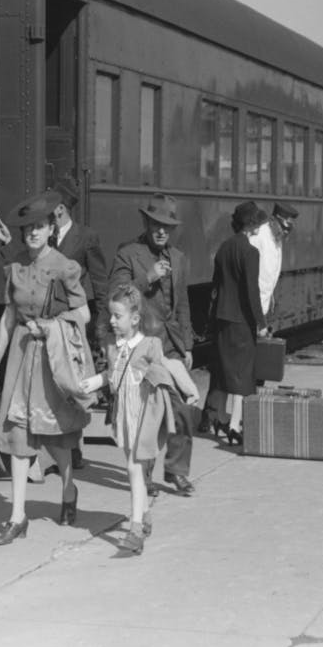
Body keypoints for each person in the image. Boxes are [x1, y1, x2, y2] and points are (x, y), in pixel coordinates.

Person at [0, 191, 95, 545]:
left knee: (57, 437)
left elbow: (84, 314)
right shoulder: (15, 266)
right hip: (20, 357)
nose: (32, 233)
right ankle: (17, 517)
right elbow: (8, 318)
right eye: (27, 228)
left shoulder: (65, 267)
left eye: (39, 227)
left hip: (51, 361)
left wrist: (50, 326)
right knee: (19, 434)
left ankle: (68, 489)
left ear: (51, 229)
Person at [80, 284, 198, 554]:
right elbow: (113, 375)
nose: (112, 321)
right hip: (123, 415)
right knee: (133, 468)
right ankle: (144, 516)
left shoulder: (150, 346)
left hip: (143, 414)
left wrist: (189, 390)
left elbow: (170, 367)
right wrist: (93, 382)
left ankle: (134, 531)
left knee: (134, 469)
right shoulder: (113, 346)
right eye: (111, 315)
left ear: (134, 319)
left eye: (117, 316)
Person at [108, 193, 197, 495]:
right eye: (157, 224)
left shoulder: (180, 259)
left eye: (168, 227)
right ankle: (143, 475)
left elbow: (182, 304)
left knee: (183, 407)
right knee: (149, 413)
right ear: (146, 222)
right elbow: (116, 296)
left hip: (171, 346)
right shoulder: (128, 253)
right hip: (142, 347)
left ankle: (177, 470)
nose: (162, 231)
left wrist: (187, 346)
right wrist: (147, 277)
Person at [48, 178, 108, 470]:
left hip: (73, 318)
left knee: (72, 384)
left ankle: (75, 450)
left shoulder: (86, 237)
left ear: (61, 209)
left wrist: (103, 321)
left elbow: (99, 279)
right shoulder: (44, 235)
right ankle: (53, 446)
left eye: (53, 208)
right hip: (47, 319)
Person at [205, 201, 269, 444]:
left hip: (223, 318)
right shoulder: (250, 252)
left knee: (224, 371)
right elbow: (251, 291)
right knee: (243, 375)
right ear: (252, 225)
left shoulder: (223, 248)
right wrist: (261, 323)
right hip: (242, 322)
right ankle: (234, 426)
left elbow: (216, 286)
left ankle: (219, 418)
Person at [247, 201, 299, 318]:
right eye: (285, 226)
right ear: (276, 220)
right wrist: (259, 316)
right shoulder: (259, 238)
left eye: (289, 228)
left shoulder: (276, 238)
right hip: (252, 306)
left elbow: (270, 276)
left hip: (260, 304)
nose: (286, 232)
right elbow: (258, 279)